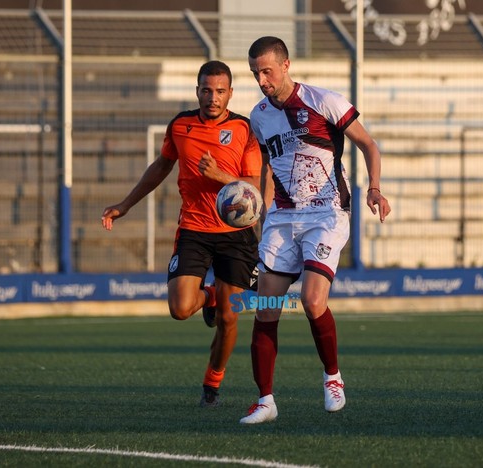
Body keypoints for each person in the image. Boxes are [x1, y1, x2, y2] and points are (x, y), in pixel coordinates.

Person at [239, 36, 391, 424]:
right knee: (266, 308)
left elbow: (369, 145)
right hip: (282, 218)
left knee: (311, 299)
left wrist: (374, 188)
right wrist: (259, 211)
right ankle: (266, 401)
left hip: (326, 214)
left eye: (267, 71)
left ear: (286, 65)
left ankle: (333, 377)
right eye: (256, 73)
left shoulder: (325, 101)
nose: (262, 80)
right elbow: (268, 169)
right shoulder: (258, 116)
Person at [101, 60, 262, 407]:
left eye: (220, 91)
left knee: (230, 317)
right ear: (197, 91)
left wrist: (221, 177)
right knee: (180, 308)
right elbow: (161, 165)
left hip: (237, 233)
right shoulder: (181, 125)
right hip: (194, 230)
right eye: (206, 89)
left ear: (230, 93)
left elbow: (255, 186)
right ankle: (212, 296)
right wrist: (126, 204)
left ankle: (212, 383)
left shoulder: (245, 130)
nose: (212, 97)